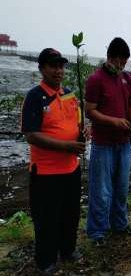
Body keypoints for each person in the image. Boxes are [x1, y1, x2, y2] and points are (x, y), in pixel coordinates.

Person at [21, 48, 85, 274]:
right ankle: (45, 260)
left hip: (71, 168)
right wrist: (65, 146)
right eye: (52, 66)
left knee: (70, 213)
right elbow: (30, 134)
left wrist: (80, 135)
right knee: (46, 218)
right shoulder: (35, 96)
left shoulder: (69, 94)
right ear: (42, 69)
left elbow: (76, 123)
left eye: (61, 66)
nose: (58, 70)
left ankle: (67, 249)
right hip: (46, 172)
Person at [85, 37, 131, 245]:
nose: (122, 66)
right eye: (120, 62)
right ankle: (97, 232)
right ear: (111, 58)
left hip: (124, 143)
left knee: (122, 187)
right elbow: (90, 111)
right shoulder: (95, 79)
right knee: (101, 190)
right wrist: (114, 121)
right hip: (103, 144)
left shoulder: (126, 78)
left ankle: (120, 224)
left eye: (124, 62)